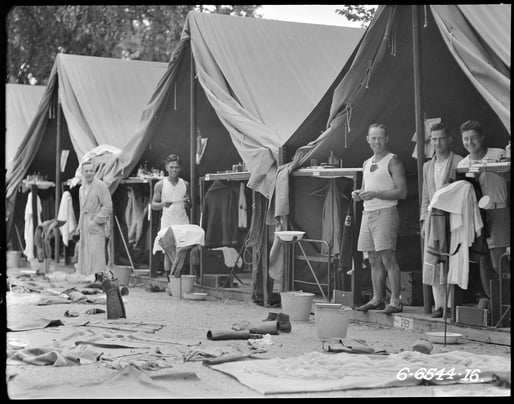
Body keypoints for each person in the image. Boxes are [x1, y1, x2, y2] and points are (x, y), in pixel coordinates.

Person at [352, 123, 407, 314]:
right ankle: (377, 298)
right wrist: (359, 193)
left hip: (386, 211)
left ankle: (395, 301)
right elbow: (367, 188)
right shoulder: (367, 162)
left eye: (380, 137)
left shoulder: (393, 161)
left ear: (387, 139)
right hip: (368, 213)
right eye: (373, 138)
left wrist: (376, 193)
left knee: (388, 257)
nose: (376, 141)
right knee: (373, 259)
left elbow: (401, 192)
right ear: (367, 139)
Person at [457, 120, 510, 299]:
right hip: (477, 216)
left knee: (498, 260)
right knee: (483, 260)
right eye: (465, 139)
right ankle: (495, 303)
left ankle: (506, 304)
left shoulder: (499, 154)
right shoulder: (463, 163)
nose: (470, 143)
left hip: (499, 210)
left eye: (473, 138)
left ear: (482, 137)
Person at [420, 123, 463, 318]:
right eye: (434, 139)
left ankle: (451, 305)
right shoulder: (427, 166)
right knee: (434, 260)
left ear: (449, 139)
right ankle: (439, 305)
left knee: (451, 258)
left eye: (441, 138)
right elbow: (425, 197)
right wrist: (423, 220)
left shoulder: (459, 162)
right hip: (432, 219)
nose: (437, 142)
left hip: (452, 217)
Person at [151, 154, 191, 274]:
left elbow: (190, 205)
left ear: (180, 168)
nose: (174, 170)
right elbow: (153, 205)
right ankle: (170, 281)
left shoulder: (185, 184)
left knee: (183, 250)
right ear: (166, 168)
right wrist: (163, 204)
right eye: (172, 167)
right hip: (167, 222)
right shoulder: (160, 185)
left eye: (176, 167)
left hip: (182, 221)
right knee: (168, 253)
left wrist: (188, 202)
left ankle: (180, 278)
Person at [76, 160, 113, 276]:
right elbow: (82, 209)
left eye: (91, 171)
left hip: (95, 221)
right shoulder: (81, 188)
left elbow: (108, 206)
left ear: (95, 172)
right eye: (86, 171)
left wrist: (96, 221)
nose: (89, 173)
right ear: (82, 172)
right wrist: (79, 225)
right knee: (85, 250)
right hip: (84, 222)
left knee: (96, 251)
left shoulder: (100, 186)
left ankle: (98, 277)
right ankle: (87, 276)